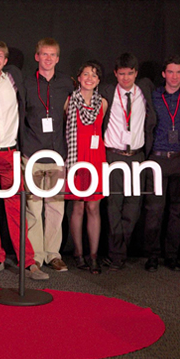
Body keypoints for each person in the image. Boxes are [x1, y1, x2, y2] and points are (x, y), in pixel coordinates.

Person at [0, 40, 48, 280]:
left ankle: (28, 262)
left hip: (10, 153)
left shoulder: (13, 79)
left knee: (16, 210)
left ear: (5, 61)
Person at [100, 53, 156, 272]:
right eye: (121, 74)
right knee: (114, 207)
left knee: (133, 207)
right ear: (115, 74)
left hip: (138, 156)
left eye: (130, 73)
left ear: (136, 73)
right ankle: (116, 255)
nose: (125, 78)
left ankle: (119, 252)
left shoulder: (145, 89)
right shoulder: (106, 91)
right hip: (113, 155)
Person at [22, 38, 73, 272]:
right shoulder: (26, 83)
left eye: (52, 55)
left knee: (55, 207)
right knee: (33, 209)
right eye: (44, 54)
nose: (48, 58)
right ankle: (36, 257)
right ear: (37, 57)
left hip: (57, 154)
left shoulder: (66, 83)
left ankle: (53, 254)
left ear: (58, 58)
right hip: (31, 153)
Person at [144, 56, 180, 272]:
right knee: (154, 211)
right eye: (170, 72)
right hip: (157, 159)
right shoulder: (154, 95)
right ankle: (152, 255)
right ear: (164, 74)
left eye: (179, 72)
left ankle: (172, 256)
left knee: (177, 211)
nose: (174, 76)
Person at [65, 61, 108, 274]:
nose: (89, 78)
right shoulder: (70, 101)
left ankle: (93, 255)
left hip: (95, 158)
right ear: (79, 77)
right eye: (85, 74)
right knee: (78, 207)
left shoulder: (104, 103)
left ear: (99, 80)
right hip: (76, 157)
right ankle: (78, 253)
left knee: (93, 207)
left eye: (94, 75)